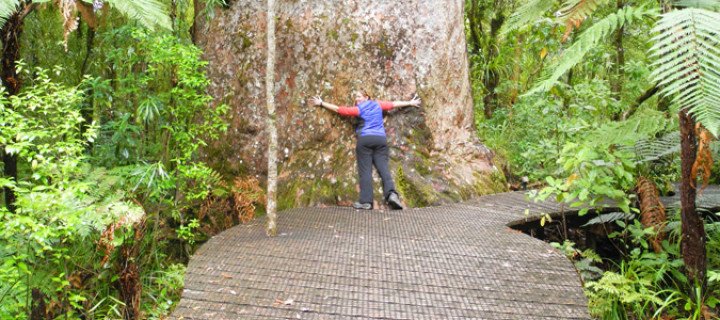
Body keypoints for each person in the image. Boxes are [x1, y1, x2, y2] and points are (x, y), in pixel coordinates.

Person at [311, 90, 421, 210]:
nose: (357, 99)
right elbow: (394, 104)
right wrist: (410, 102)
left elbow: (339, 109)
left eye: (359, 96)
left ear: (366, 97)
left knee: (365, 170)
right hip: (380, 140)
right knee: (384, 168)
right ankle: (392, 194)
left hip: (365, 140)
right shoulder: (378, 104)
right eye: (356, 97)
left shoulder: (359, 109)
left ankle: (366, 202)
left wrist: (321, 103)